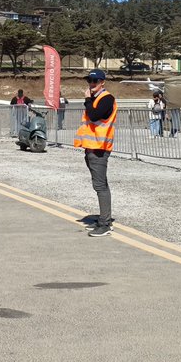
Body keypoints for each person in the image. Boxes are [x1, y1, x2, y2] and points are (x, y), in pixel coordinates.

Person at [73, 69, 117, 237]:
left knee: (100, 186)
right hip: (91, 147)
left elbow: (93, 115)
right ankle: (103, 220)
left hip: (99, 149)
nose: (92, 84)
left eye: (95, 81)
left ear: (102, 82)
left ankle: (105, 223)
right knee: (100, 185)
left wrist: (86, 100)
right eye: (89, 81)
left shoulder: (106, 98)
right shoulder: (96, 98)